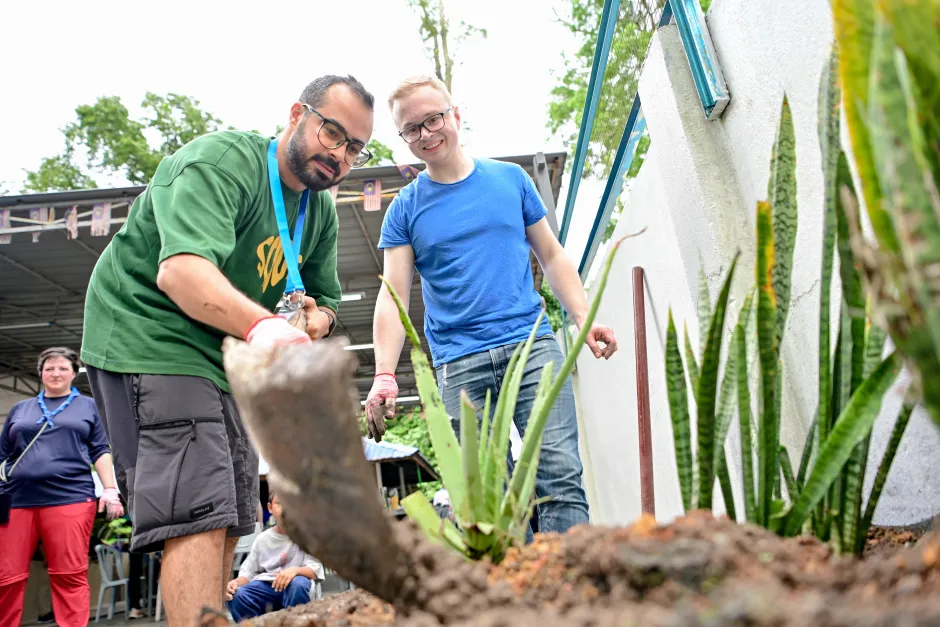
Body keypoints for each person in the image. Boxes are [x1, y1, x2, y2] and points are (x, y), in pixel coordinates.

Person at [79, 74, 376, 626]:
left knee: (231, 509)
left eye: (355, 147)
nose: (340, 155)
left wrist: (313, 320)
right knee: (196, 511)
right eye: (332, 133)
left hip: (226, 360)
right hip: (152, 334)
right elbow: (181, 273)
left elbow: (329, 300)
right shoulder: (221, 164)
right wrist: (267, 328)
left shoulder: (320, 210)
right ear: (296, 114)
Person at [366, 75, 618, 536]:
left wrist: (584, 318)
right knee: (490, 498)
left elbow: (553, 255)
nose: (426, 133)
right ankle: (515, 597)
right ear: (402, 138)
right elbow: (393, 293)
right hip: (460, 365)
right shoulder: (404, 208)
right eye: (412, 129)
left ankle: (572, 590)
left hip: (533, 347)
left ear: (455, 115)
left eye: (433, 119)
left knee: (559, 477)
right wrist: (385, 373)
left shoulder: (510, 180)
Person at [0, 347, 124, 627]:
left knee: (68, 574)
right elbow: (2, 454)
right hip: (17, 500)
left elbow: (101, 449)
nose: (55, 373)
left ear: (73, 373)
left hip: (70, 499)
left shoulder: (89, 406)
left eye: (63, 368)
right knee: (7, 576)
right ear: (40, 373)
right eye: (49, 368)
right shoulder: (21, 409)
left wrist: (110, 489)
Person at [226, 493, 324, 621]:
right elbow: (248, 573)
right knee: (235, 594)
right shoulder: (262, 539)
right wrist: (234, 583)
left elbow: (315, 569)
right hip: (267, 588)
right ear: (270, 508)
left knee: (298, 584)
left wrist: (294, 571)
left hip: (296, 589)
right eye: (280, 502)